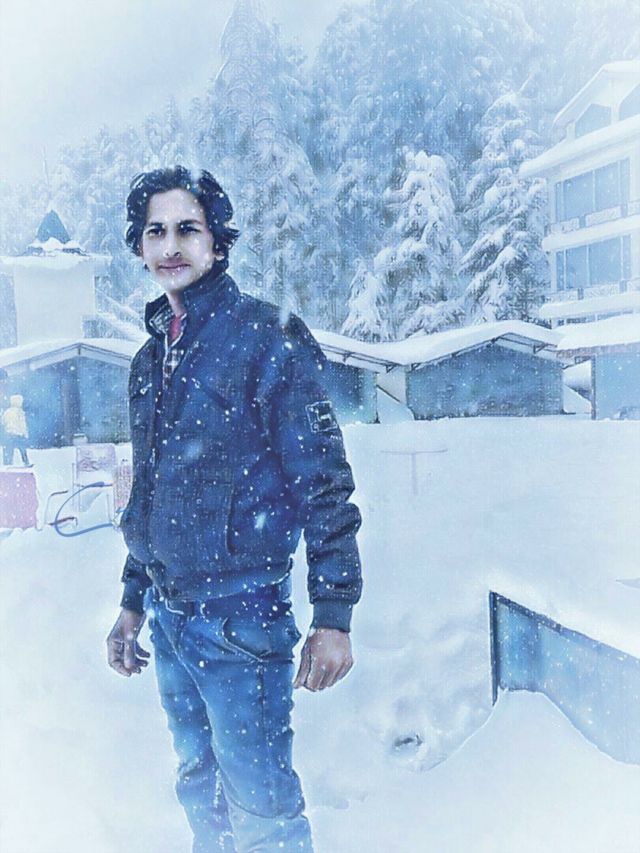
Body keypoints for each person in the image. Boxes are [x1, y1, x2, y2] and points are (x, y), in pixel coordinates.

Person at [106, 166, 362, 853]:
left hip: (241, 622)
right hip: (171, 619)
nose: (171, 246)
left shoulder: (265, 338)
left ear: (217, 241)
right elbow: (151, 494)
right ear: (140, 246)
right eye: (155, 231)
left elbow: (324, 483)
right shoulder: (148, 361)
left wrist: (333, 614)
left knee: (262, 809)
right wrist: (132, 600)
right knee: (200, 788)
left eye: (187, 229)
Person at [2, 394, 31, 466]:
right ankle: (25, 462)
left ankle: (7, 463)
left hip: (8, 433)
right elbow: (22, 424)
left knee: (8, 449)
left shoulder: (7, 411)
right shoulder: (20, 412)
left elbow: (3, 421)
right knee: (22, 449)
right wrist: (25, 433)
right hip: (18, 434)